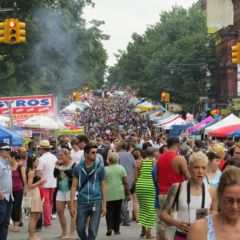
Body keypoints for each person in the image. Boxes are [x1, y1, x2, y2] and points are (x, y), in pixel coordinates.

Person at [160, 151, 218, 240]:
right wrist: (176, 223)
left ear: (207, 169)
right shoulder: (177, 187)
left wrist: (207, 218)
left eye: (203, 168)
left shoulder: (212, 191)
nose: (200, 171)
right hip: (181, 235)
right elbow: (163, 214)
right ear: (189, 168)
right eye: (196, 167)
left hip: (202, 236)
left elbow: (215, 212)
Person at [188, 167, 240, 240]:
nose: (234, 206)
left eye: (239, 201)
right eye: (229, 200)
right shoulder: (200, 229)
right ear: (219, 195)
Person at [70, 142, 106, 240]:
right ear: (86, 154)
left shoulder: (100, 168)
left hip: (96, 201)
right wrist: (72, 204)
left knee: (93, 231)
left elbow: (103, 186)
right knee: (80, 229)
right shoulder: (78, 167)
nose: (95, 155)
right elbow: (73, 186)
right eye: (93, 153)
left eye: (96, 152)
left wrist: (104, 205)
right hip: (82, 201)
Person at [157, 137, 190, 239]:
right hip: (175, 194)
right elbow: (188, 177)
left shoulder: (160, 158)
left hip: (162, 193)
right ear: (178, 144)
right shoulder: (179, 158)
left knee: (162, 223)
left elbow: (158, 177)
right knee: (175, 223)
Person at [105, 152, 130, 236]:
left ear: (109, 160)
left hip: (108, 194)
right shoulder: (121, 168)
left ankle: (109, 228)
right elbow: (126, 182)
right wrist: (128, 194)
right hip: (119, 193)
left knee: (109, 211)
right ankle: (116, 229)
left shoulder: (105, 169)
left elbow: (102, 183)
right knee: (117, 211)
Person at [54, 148, 76, 238]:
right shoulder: (60, 164)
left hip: (71, 190)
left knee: (72, 212)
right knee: (59, 211)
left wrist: (62, 168)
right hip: (60, 190)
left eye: (62, 155)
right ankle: (64, 232)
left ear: (67, 155)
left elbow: (72, 174)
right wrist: (56, 166)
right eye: (59, 155)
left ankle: (71, 233)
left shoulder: (74, 164)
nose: (60, 157)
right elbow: (54, 175)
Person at [135, 147, 157, 239]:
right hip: (150, 186)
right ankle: (148, 231)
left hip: (140, 185)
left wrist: (139, 182)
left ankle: (143, 229)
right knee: (151, 209)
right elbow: (156, 175)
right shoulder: (154, 162)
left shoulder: (141, 161)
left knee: (143, 207)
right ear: (154, 153)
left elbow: (136, 176)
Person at [37, 140, 57, 227]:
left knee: (46, 203)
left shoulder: (41, 159)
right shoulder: (54, 157)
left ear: (41, 148)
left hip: (44, 183)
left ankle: (47, 221)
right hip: (53, 182)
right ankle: (48, 219)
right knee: (50, 202)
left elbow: (39, 173)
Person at [26, 155, 47, 240]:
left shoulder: (33, 171)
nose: (38, 162)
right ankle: (31, 236)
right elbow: (30, 185)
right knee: (34, 215)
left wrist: (40, 182)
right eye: (37, 161)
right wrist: (40, 182)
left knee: (36, 214)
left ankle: (31, 235)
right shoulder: (31, 172)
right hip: (33, 193)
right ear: (33, 161)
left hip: (36, 192)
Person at [115, 140, 136, 226]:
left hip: (121, 180)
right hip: (130, 180)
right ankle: (124, 217)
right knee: (126, 199)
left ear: (119, 147)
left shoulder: (117, 155)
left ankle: (125, 218)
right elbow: (134, 166)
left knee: (121, 200)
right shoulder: (130, 155)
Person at [9, 151, 26, 232]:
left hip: (19, 189)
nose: (8, 159)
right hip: (10, 190)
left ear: (13, 158)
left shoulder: (20, 167)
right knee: (11, 207)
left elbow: (24, 178)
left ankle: (16, 225)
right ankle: (14, 223)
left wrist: (26, 188)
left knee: (16, 207)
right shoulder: (8, 167)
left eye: (9, 157)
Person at [0, 143, 13, 240]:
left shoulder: (6, 163)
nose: (8, 151)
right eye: (6, 150)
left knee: (5, 222)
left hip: (9, 196)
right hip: (2, 196)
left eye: (9, 149)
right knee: (1, 221)